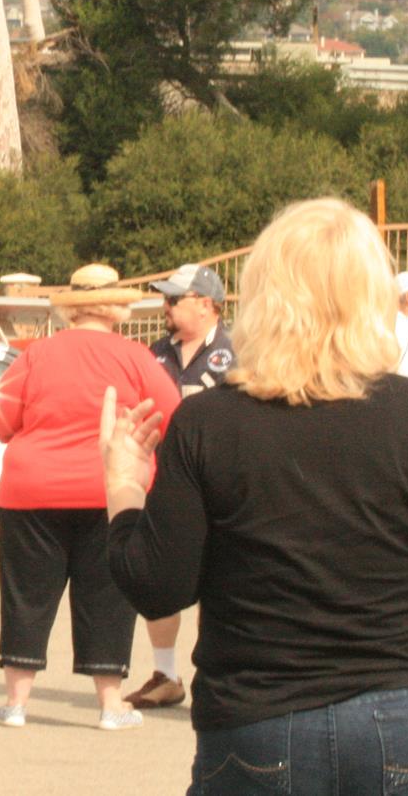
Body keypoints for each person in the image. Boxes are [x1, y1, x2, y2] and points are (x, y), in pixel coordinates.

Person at [103, 198, 408, 796]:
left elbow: (158, 586)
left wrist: (123, 489)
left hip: (259, 718)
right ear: (371, 296)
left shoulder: (209, 422)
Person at [0, 263, 181, 731]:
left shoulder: (34, 355)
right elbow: (173, 416)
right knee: (108, 596)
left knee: (26, 595)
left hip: (30, 491)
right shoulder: (136, 357)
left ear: (71, 308)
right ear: (117, 307)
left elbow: (0, 419)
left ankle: (15, 703)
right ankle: (111, 706)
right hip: (109, 490)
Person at [126, 263, 235, 712]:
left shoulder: (236, 355)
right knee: (163, 576)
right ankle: (165, 674)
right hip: (165, 480)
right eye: (165, 299)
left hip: (221, 482)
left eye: (174, 299)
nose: (165, 306)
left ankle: (215, 671)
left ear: (206, 305)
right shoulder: (154, 353)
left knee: (221, 581)